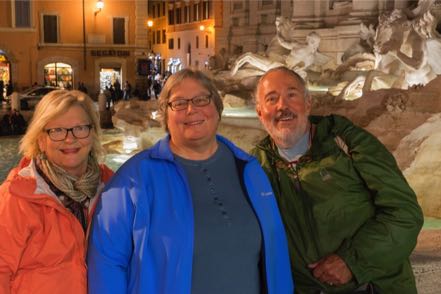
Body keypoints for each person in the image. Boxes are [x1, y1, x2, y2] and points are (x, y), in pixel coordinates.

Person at [87, 69, 293, 294]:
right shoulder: (133, 178)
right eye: (179, 103)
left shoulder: (249, 169)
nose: (192, 109)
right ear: (165, 114)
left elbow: (275, 253)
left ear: (217, 108)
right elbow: (107, 262)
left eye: (201, 99)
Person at [251, 66, 423, 294]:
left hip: (372, 286)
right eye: (271, 99)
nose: (282, 106)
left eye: (291, 95)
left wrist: (351, 262)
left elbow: (405, 214)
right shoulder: (255, 167)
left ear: (308, 103)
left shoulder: (347, 142)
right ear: (260, 113)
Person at [0, 90, 114, 293]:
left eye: (80, 128)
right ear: (40, 140)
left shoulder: (113, 188)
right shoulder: (15, 198)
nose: (69, 139)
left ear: (93, 134)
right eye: (57, 130)